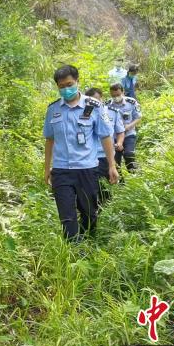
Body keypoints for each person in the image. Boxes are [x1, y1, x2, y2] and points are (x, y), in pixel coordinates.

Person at [43, 66, 119, 242]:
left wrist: (112, 165)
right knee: (67, 217)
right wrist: (47, 168)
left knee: (89, 214)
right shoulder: (53, 109)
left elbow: (105, 136)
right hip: (61, 170)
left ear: (77, 82)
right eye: (61, 86)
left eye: (69, 84)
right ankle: (74, 254)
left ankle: (90, 246)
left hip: (87, 169)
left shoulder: (94, 107)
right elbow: (49, 140)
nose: (66, 89)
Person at [85, 88, 125, 205]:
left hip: (106, 155)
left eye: (97, 100)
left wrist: (120, 143)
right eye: (92, 100)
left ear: (101, 99)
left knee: (106, 187)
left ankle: (105, 210)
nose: (95, 103)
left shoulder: (113, 112)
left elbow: (120, 131)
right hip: (90, 156)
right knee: (92, 187)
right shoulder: (84, 113)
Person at [108, 83, 142, 172]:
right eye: (113, 96)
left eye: (118, 95)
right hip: (115, 136)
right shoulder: (107, 105)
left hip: (129, 134)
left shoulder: (131, 102)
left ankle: (134, 174)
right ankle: (120, 182)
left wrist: (129, 126)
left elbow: (138, 117)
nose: (116, 97)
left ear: (123, 92)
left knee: (129, 154)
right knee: (115, 160)